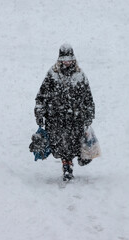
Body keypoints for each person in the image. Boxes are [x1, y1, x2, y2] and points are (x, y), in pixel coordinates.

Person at [34, 43, 95, 181]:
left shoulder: (80, 76)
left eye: (69, 59)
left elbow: (88, 97)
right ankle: (66, 166)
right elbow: (42, 96)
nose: (67, 62)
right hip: (56, 118)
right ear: (60, 60)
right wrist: (39, 112)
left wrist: (89, 113)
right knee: (61, 145)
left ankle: (72, 162)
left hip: (75, 117)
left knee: (74, 144)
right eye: (64, 60)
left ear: (73, 59)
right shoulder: (52, 75)